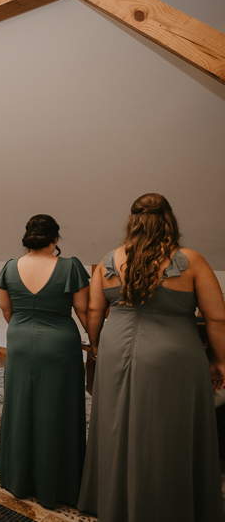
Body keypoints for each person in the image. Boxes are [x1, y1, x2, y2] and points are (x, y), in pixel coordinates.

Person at [77, 193, 225, 521]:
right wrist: (220, 361)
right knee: (167, 429)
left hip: (116, 348)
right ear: (169, 220)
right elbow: (216, 318)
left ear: (131, 223)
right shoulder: (192, 260)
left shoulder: (108, 261)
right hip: (173, 353)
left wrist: (98, 347)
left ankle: (116, 502)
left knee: (117, 426)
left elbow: (94, 311)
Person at [0, 215, 89, 509]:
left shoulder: (10, 267)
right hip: (60, 343)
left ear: (27, 238)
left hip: (21, 340)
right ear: (55, 239)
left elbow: (5, 308)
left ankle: (19, 475)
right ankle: (57, 481)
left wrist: (22, 326)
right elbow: (84, 311)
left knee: (21, 405)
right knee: (57, 409)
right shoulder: (70, 266)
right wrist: (95, 340)